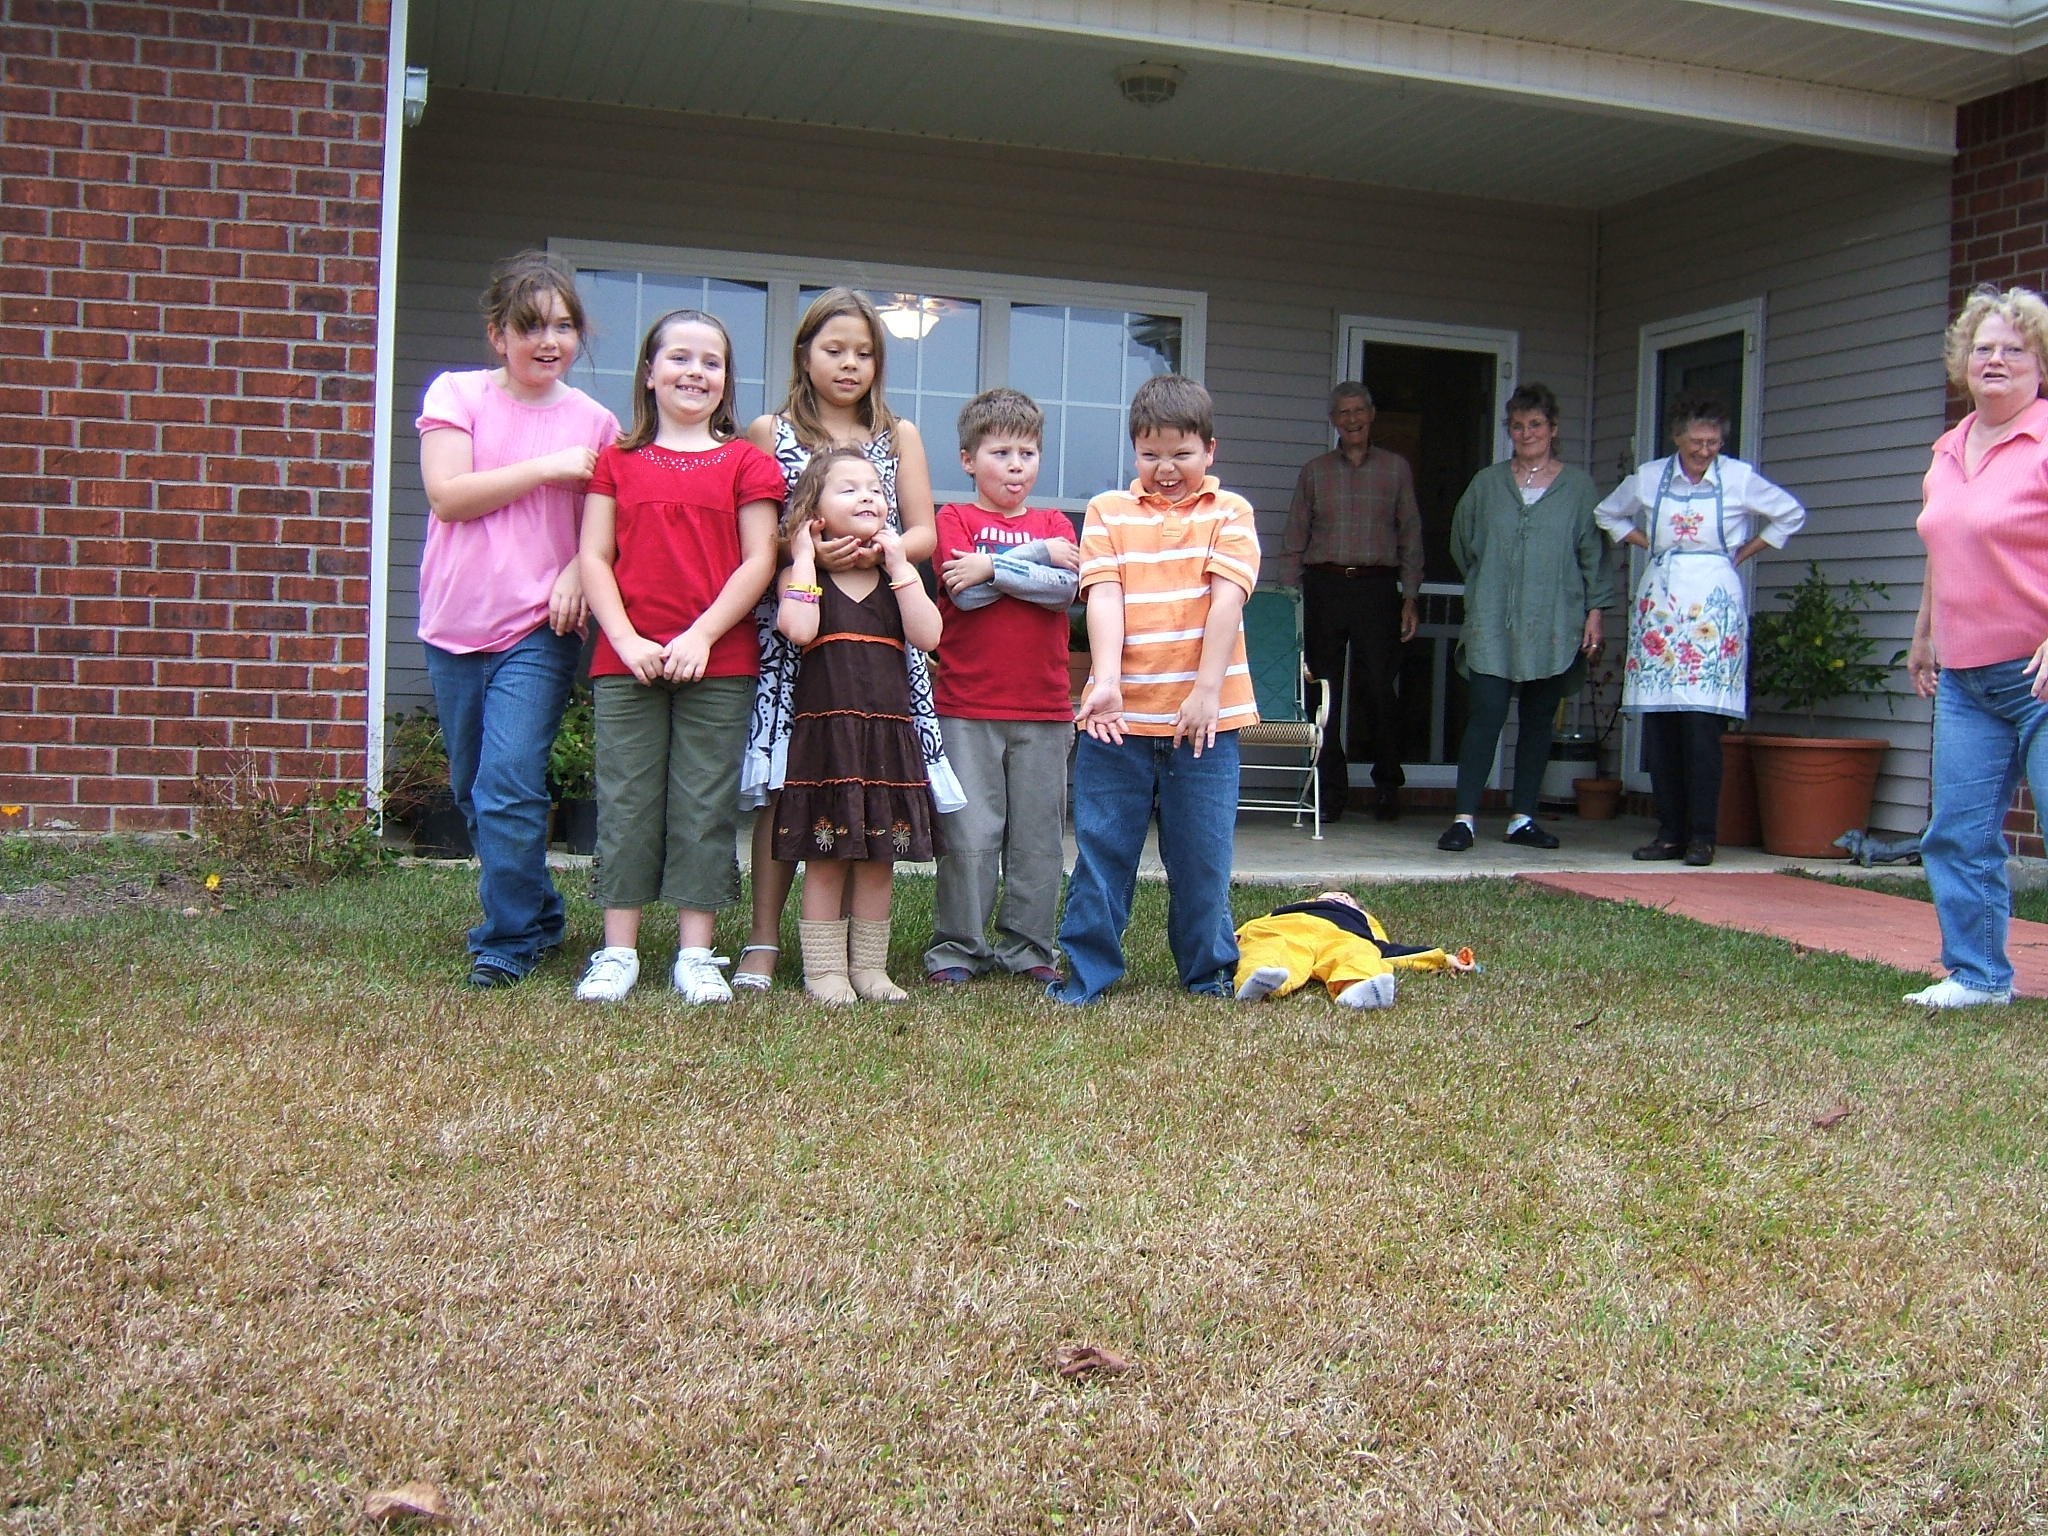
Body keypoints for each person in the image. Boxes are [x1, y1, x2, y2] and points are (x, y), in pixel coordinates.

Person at [733, 288, 959, 990]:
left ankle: (862, 961)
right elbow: (757, 531)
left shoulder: (898, 434)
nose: (849, 364)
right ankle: (765, 941)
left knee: (870, 774)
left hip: (880, 622)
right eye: (834, 350)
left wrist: (875, 553)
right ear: (804, 353)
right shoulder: (771, 430)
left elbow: (923, 530)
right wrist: (808, 555)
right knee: (792, 781)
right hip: (799, 630)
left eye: (864, 352)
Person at [414, 251, 619, 989]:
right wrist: (547, 468)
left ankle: (507, 938)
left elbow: (607, 529)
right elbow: (448, 495)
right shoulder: (457, 393)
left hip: (538, 625)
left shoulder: (596, 423)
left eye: (563, 326)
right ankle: (537, 908)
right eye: (529, 326)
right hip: (453, 618)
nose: (548, 341)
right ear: (497, 335)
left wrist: (574, 573)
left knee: (507, 782)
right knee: (473, 788)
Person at [571, 309, 784, 1004]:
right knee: (626, 801)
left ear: (726, 379)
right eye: (679, 358)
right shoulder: (617, 461)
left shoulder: (746, 463)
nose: (695, 373)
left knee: (703, 804)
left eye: (711, 362)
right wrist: (625, 638)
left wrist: (701, 636)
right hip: (625, 660)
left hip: (717, 662)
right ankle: (618, 951)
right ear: (649, 372)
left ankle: (696, 953)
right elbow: (594, 557)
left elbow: (759, 561)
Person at [1050, 374, 1260, 1005]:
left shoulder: (1232, 512)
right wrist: (1107, 682)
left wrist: (1206, 692)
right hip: (1117, 725)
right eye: (1150, 454)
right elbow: (1103, 597)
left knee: (1202, 858)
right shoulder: (1107, 512)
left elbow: (1227, 602)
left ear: (1210, 450)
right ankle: (1087, 974)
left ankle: (1207, 973)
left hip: (1206, 723)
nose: (1166, 469)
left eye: (1181, 454)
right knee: (1102, 852)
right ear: (1134, 451)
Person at [1905, 284, 2048, 1008]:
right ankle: (1978, 977)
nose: (1995, 359)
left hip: (2040, 675)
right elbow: (1945, 545)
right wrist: (1924, 632)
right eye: (1982, 347)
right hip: (1965, 678)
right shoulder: (1949, 448)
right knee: (1957, 835)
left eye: (2014, 349)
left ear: (2040, 363)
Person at [1595, 391, 1805, 867]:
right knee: (1663, 725)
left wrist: (1744, 551)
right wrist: (1645, 541)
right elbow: (1607, 512)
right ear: (1677, 437)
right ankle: (1669, 831)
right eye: (1696, 442)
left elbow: (1789, 513)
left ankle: (1702, 836)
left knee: (1702, 726)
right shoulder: (1650, 477)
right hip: (1662, 604)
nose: (1704, 450)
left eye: (1712, 442)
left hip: (1713, 604)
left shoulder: (1738, 478)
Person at [773, 449, 945, 1004]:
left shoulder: (897, 579)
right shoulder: (803, 576)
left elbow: (930, 635)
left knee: (879, 858)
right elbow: (799, 628)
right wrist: (804, 556)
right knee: (826, 857)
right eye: (848, 488)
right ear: (815, 511)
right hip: (829, 741)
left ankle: (870, 967)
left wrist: (900, 566)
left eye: (874, 487)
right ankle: (824, 970)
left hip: (888, 739)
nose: (867, 495)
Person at [923, 388, 1078, 987]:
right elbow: (963, 594)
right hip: (967, 706)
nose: (1017, 467)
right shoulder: (954, 520)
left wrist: (991, 566)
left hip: (1044, 708)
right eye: (1001, 453)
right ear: (968, 460)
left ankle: (1029, 947)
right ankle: (958, 948)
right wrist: (1033, 561)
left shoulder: (1055, 523)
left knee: (1038, 837)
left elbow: (1064, 591)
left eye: (1028, 454)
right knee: (970, 834)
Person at [1438, 383, 1614, 853]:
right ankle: (1464, 818)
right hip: (1493, 619)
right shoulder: (1487, 484)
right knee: (1486, 714)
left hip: (1555, 620)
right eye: (1517, 425)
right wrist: (1491, 585)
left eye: (1535, 424)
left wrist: (1595, 613)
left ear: (1553, 429)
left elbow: (1593, 555)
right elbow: (1462, 543)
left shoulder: (1578, 488)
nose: (1527, 433)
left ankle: (1523, 817)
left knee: (1538, 721)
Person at [1276, 382, 1423, 822]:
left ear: (1372, 415)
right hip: (1325, 587)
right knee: (1321, 691)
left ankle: (1387, 787)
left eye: (1359, 410)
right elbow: (1295, 538)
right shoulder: (1315, 472)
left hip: (1377, 588)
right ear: (1334, 420)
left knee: (1379, 688)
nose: (1353, 419)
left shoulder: (1395, 469)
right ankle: (1329, 792)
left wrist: (1410, 597)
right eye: (1344, 412)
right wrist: (1289, 599)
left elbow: (1411, 535)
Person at [1233, 889, 1474, 1009]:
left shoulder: (1364, 922)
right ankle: (1254, 983)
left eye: (1346, 897)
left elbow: (1388, 950)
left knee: (1360, 954)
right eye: (1331, 894)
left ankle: (1357, 988)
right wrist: (1234, 937)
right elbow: (1254, 929)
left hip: (1344, 936)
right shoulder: (1289, 910)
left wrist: (1442, 959)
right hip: (1289, 928)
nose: (1339, 897)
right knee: (1271, 947)